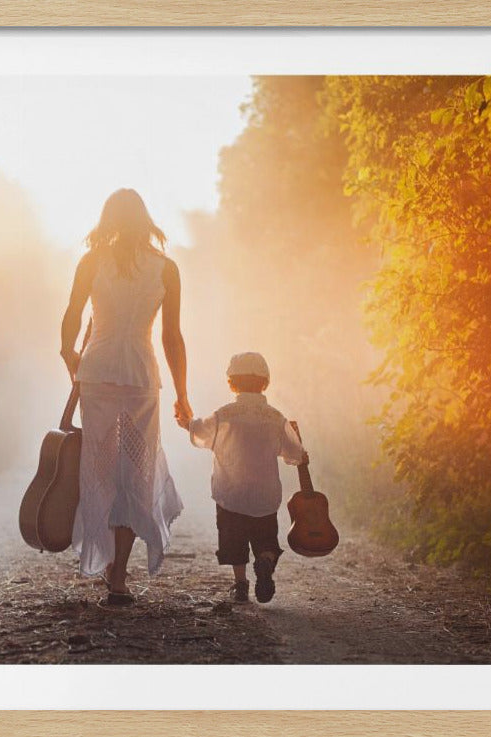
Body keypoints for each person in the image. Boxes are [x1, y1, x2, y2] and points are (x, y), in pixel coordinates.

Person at [60, 189, 190, 606]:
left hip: (96, 377)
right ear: (145, 220)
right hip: (139, 379)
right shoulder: (166, 269)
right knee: (136, 473)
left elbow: (70, 319)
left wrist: (74, 364)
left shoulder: (90, 262)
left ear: (108, 219)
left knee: (98, 471)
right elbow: (172, 337)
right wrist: (182, 394)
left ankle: (105, 562)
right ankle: (118, 577)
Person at [178, 352, 307, 604]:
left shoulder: (224, 415)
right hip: (265, 496)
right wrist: (300, 452)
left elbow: (201, 433)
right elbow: (294, 453)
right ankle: (266, 561)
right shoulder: (276, 418)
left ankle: (240, 584)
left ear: (231, 383)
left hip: (231, 494)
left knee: (233, 541)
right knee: (265, 538)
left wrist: (187, 424)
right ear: (265, 383)